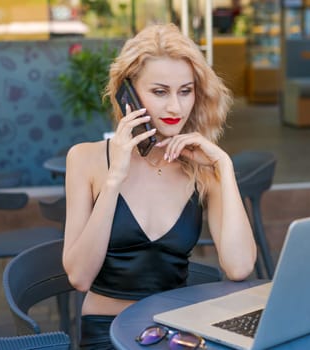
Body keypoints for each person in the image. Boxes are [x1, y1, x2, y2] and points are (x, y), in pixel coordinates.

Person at [62, 23, 257, 349]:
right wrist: (115, 179)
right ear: (128, 93)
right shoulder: (84, 159)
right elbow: (80, 277)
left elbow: (239, 267)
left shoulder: (202, 166)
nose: (175, 108)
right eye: (159, 91)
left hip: (177, 333)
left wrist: (225, 167)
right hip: (105, 335)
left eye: (185, 91)